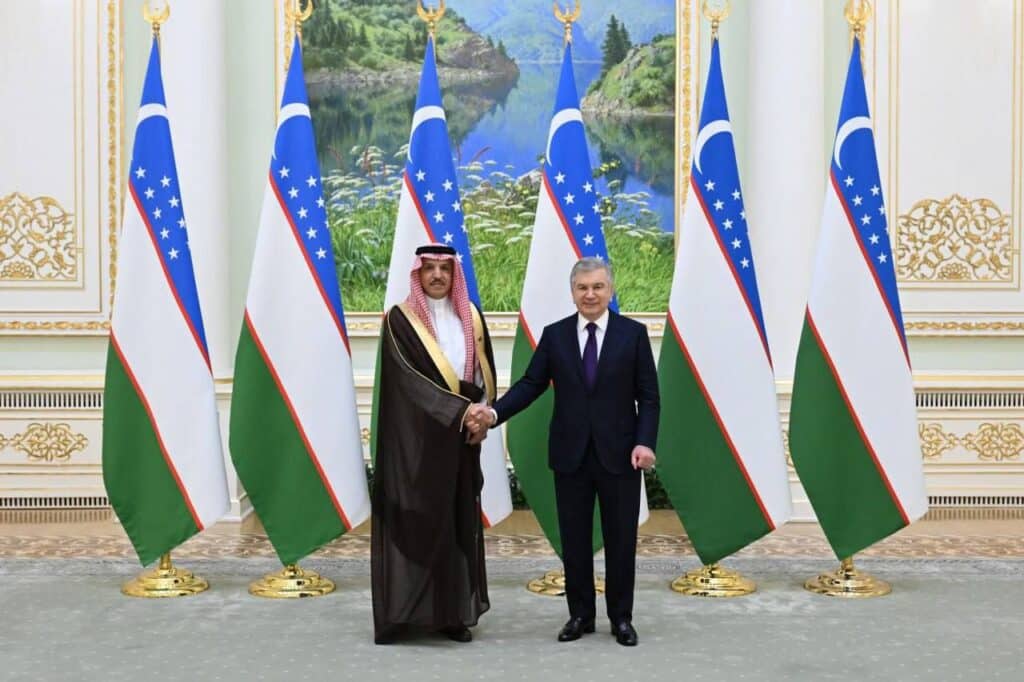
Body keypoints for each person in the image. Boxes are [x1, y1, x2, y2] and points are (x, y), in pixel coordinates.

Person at [467, 257, 659, 646]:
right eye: (582, 288)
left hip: (621, 455)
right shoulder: (555, 336)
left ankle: (621, 618)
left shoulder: (633, 335)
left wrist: (645, 442)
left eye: (598, 287)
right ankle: (580, 615)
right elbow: (530, 384)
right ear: (572, 292)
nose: (590, 294)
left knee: (621, 542)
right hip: (571, 455)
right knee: (574, 541)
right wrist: (494, 413)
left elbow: (649, 397)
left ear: (610, 290)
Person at [371, 244, 497, 645]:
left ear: (454, 275)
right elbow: (407, 380)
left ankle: (450, 615)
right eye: (429, 268)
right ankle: (403, 614)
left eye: (445, 268)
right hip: (416, 440)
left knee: (455, 524)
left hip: (461, 441)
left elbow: (482, 373)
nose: (438, 275)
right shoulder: (401, 319)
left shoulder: (470, 316)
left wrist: (481, 416)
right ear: (418, 273)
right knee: (415, 522)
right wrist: (461, 411)